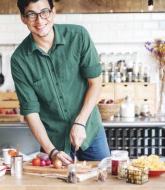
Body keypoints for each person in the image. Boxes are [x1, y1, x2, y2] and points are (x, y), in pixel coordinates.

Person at [11, 0, 110, 165]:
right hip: (54, 140)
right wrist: (51, 150)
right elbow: (31, 112)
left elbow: (96, 82)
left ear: (53, 12)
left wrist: (80, 122)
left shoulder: (78, 36)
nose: (40, 20)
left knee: (102, 180)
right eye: (31, 15)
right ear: (23, 18)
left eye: (44, 12)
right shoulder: (19, 60)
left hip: (89, 129)